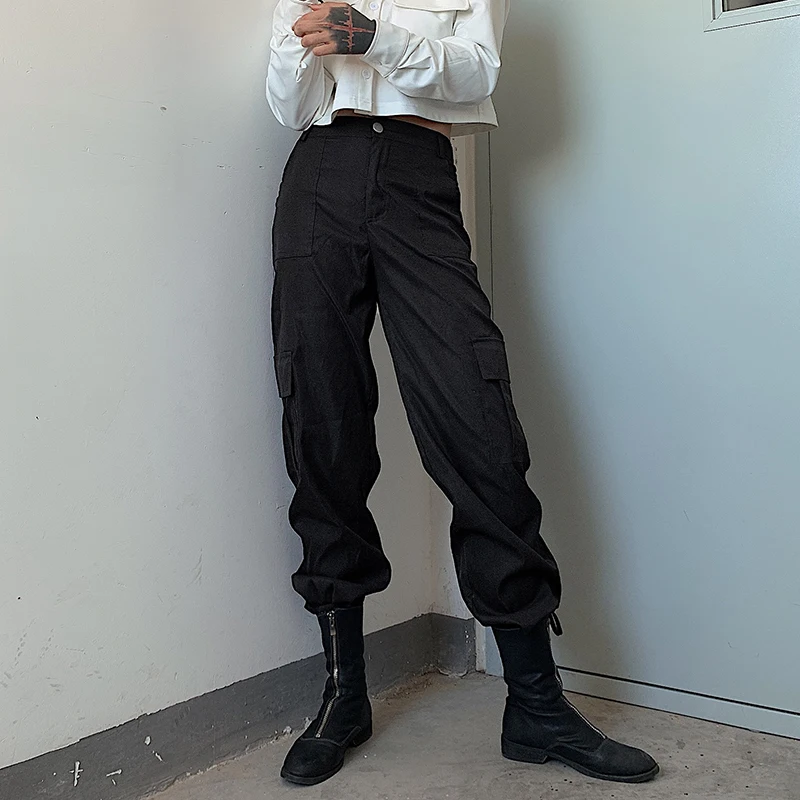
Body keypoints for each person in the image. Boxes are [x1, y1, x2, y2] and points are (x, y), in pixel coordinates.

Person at [265, 0, 660, 787]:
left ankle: (537, 705)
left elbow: (477, 73)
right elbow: (288, 105)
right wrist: (304, 45)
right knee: (321, 417)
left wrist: (371, 37)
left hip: (418, 175)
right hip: (318, 178)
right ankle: (344, 697)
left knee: (477, 420)